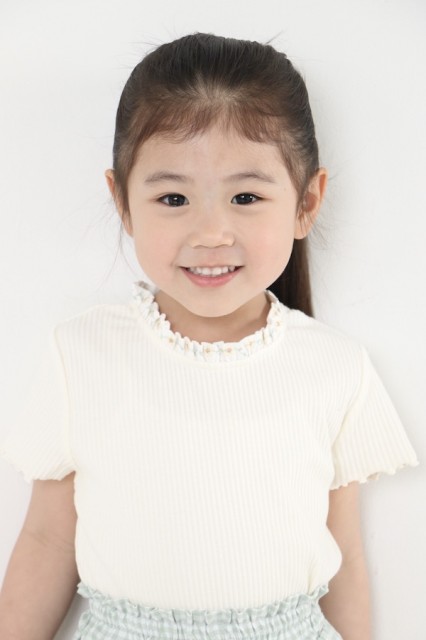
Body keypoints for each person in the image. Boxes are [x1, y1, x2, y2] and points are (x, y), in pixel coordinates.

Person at [0, 32, 419, 640]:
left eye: (245, 196)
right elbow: (46, 540)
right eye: (173, 197)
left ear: (307, 202)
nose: (211, 232)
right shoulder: (81, 355)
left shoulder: (336, 367)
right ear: (123, 202)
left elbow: (346, 557)